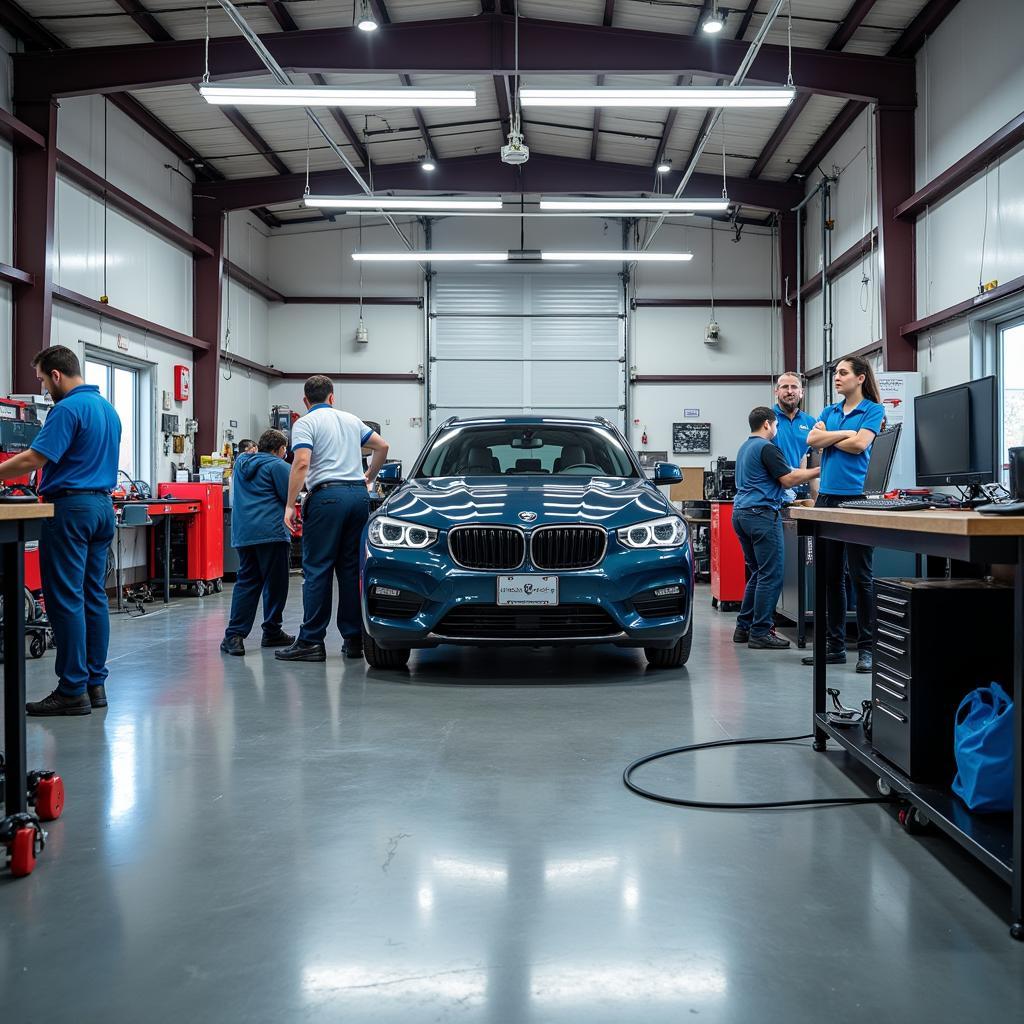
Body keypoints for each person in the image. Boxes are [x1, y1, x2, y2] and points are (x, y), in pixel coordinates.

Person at [0, 345, 120, 716]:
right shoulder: (109, 410)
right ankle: (94, 685)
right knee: (92, 596)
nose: (42, 385)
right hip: (102, 508)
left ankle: (71, 689)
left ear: (56, 375)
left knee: (65, 599)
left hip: (70, 509)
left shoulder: (67, 408)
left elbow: (36, 457)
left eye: (41, 378)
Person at [275, 375, 389, 663]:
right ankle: (353, 640)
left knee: (317, 569)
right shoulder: (351, 420)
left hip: (327, 498)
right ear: (332, 397)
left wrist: (290, 506)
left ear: (305, 400)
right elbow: (382, 446)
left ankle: (311, 640)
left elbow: (301, 462)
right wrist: (369, 478)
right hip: (357, 497)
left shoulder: (305, 423)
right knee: (350, 570)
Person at [802, 355, 886, 673]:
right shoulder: (829, 410)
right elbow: (812, 440)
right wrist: (844, 435)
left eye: (843, 373)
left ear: (860, 377)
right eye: (835, 373)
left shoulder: (873, 410)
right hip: (826, 500)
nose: (836, 378)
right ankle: (835, 647)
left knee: (862, 578)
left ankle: (867, 650)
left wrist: (834, 437)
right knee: (830, 578)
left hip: (857, 500)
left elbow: (861, 445)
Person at [732, 406, 820, 650]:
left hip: (741, 515)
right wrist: (822, 469)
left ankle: (743, 627)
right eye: (776, 426)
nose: (777, 430)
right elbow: (788, 478)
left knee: (758, 573)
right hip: (761, 514)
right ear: (768, 424)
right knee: (771, 575)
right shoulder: (767, 447)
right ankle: (760, 632)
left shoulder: (745, 447)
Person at [220, 428, 295, 656]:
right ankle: (272, 631)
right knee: (276, 583)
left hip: (244, 533)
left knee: (247, 582)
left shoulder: (241, 463)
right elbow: (288, 496)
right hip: (271, 532)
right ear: (281, 449)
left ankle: (234, 636)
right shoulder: (280, 466)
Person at [772, 371, 818, 501]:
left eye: (794, 387)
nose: (790, 391)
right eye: (785, 387)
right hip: (772, 491)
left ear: (801, 392)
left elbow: (806, 455)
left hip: (797, 490)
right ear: (776, 392)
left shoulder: (810, 422)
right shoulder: (768, 418)